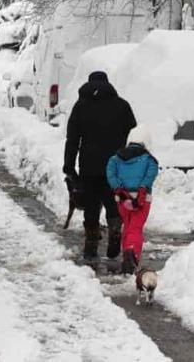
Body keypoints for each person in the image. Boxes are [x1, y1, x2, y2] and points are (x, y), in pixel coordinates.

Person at [63, 71, 136, 260]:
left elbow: (72, 139)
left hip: (89, 166)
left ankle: (91, 244)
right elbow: (133, 136)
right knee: (113, 203)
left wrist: (69, 166)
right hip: (116, 166)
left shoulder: (81, 106)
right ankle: (114, 231)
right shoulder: (122, 105)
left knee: (91, 206)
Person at [106, 125, 159, 275]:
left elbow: (110, 173)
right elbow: (150, 175)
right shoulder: (149, 160)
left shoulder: (115, 159)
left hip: (122, 199)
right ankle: (132, 254)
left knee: (128, 227)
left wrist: (119, 188)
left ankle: (126, 255)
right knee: (136, 228)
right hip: (141, 200)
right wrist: (142, 189)